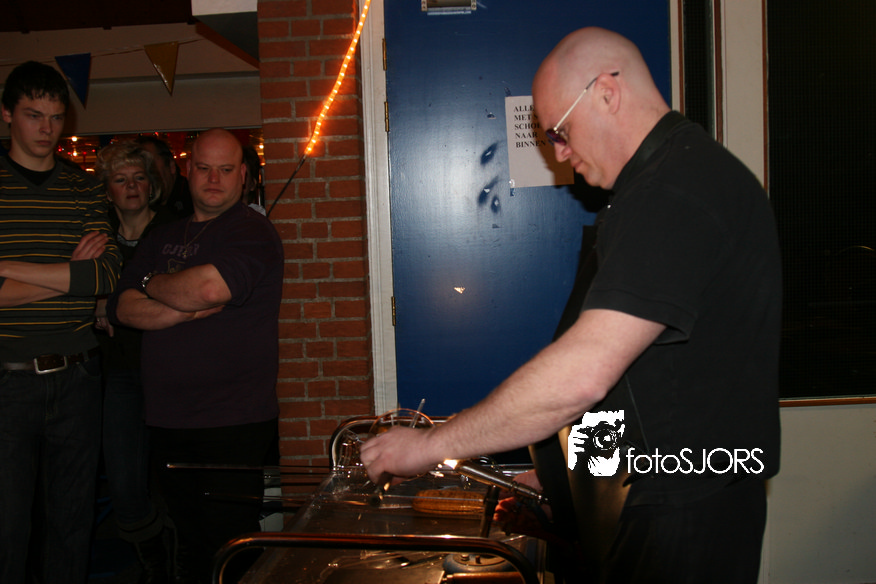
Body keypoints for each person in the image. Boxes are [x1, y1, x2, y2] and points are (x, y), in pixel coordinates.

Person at [360, 27, 782, 584]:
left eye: (560, 131)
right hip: (662, 495)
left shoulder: (677, 191)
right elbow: (654, 381)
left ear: (607, 92)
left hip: (684, 514)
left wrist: (431, 445)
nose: (558, 153)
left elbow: (585, 373)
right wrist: (566, 475)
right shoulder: (664, 182)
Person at [106, 128, 284, 583]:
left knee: (230, 547)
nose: (214, 179)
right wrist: (173, 307)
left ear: (243, 176)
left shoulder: (252, 231)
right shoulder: (162, 234)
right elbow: (121, 307)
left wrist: (150, 283)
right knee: (187, 544)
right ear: (188, 170)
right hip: (167, 418)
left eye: (225, 170)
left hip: (232, 421)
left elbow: (207, 290)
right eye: (204, 168)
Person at [0, 61, 122, 584]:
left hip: (78, 375)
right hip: (7, 377)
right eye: (34, 115)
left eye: (55, 117)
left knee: (72, 525)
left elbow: (105, 275)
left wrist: (8, 267)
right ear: (7, 114)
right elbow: (83, 280)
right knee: (7, 528)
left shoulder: (84, 188)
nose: (47, 128)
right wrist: (68, 274)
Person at [94, 141, 177, 583]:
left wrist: (114, 305)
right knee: (124, 482)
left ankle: (178, 564)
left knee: (174, 479)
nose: (131, 187)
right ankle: (152, 560)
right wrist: (91, 303)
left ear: (152, 185)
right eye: (120, 179)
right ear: (107, 188)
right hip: (119, 372)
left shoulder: (172, 234)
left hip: (170, 370)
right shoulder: (95, 238)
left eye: (139, 178)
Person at [135, 134, 194, 218]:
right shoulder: (139, 208)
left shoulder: (193, 201)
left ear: (171, 165)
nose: (146, 173)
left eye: (151, 165)